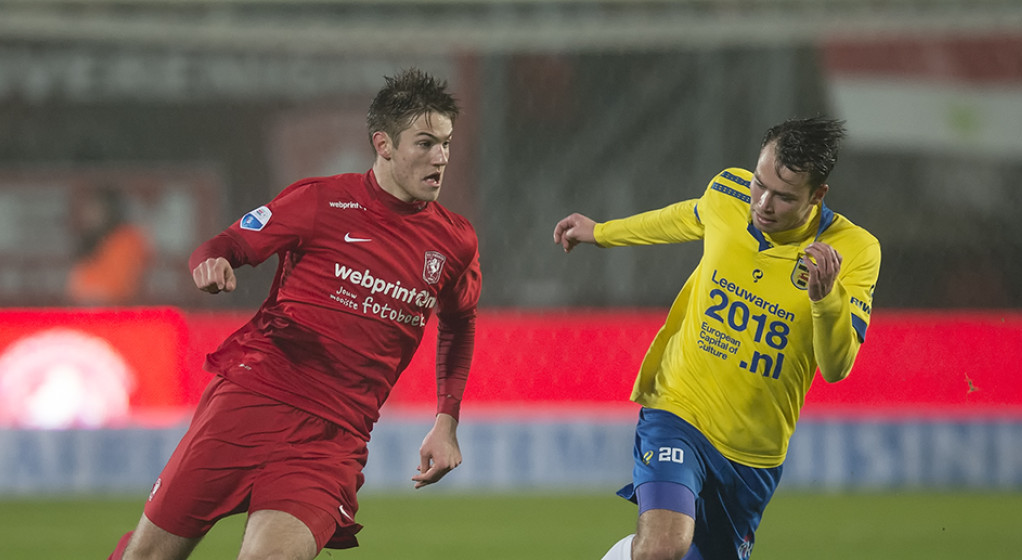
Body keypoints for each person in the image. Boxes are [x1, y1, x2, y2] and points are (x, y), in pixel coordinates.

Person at [107, 68, 481, 560]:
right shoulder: (321, 201)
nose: (441, 159)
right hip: (253, 399)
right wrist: (212, 263)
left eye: (447, 144)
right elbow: (226, 243)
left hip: (332, 439)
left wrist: (446, 419)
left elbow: (459, 323)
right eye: (426, 144)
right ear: (384, 144)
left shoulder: (454, 242)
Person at [553, 116, 880, 560]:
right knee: (663, 547)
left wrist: (826, 299)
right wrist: (601, 233)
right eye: (759, 184)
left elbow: (836, 367)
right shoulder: (728, 192)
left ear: (817, 195)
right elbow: (679, 218)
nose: (763, 203)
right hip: (679, 407)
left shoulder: (855, 250)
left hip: (753, 454)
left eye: (784, 197)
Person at [67, 185, 151, 306]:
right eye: (88, 208)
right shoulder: (90, 241)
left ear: (110, 209)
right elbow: (77, 288)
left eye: (95, 208)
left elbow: (119, 290)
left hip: (118, 313)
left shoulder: (127, 239)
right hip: (84, 313)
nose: (89, 214)